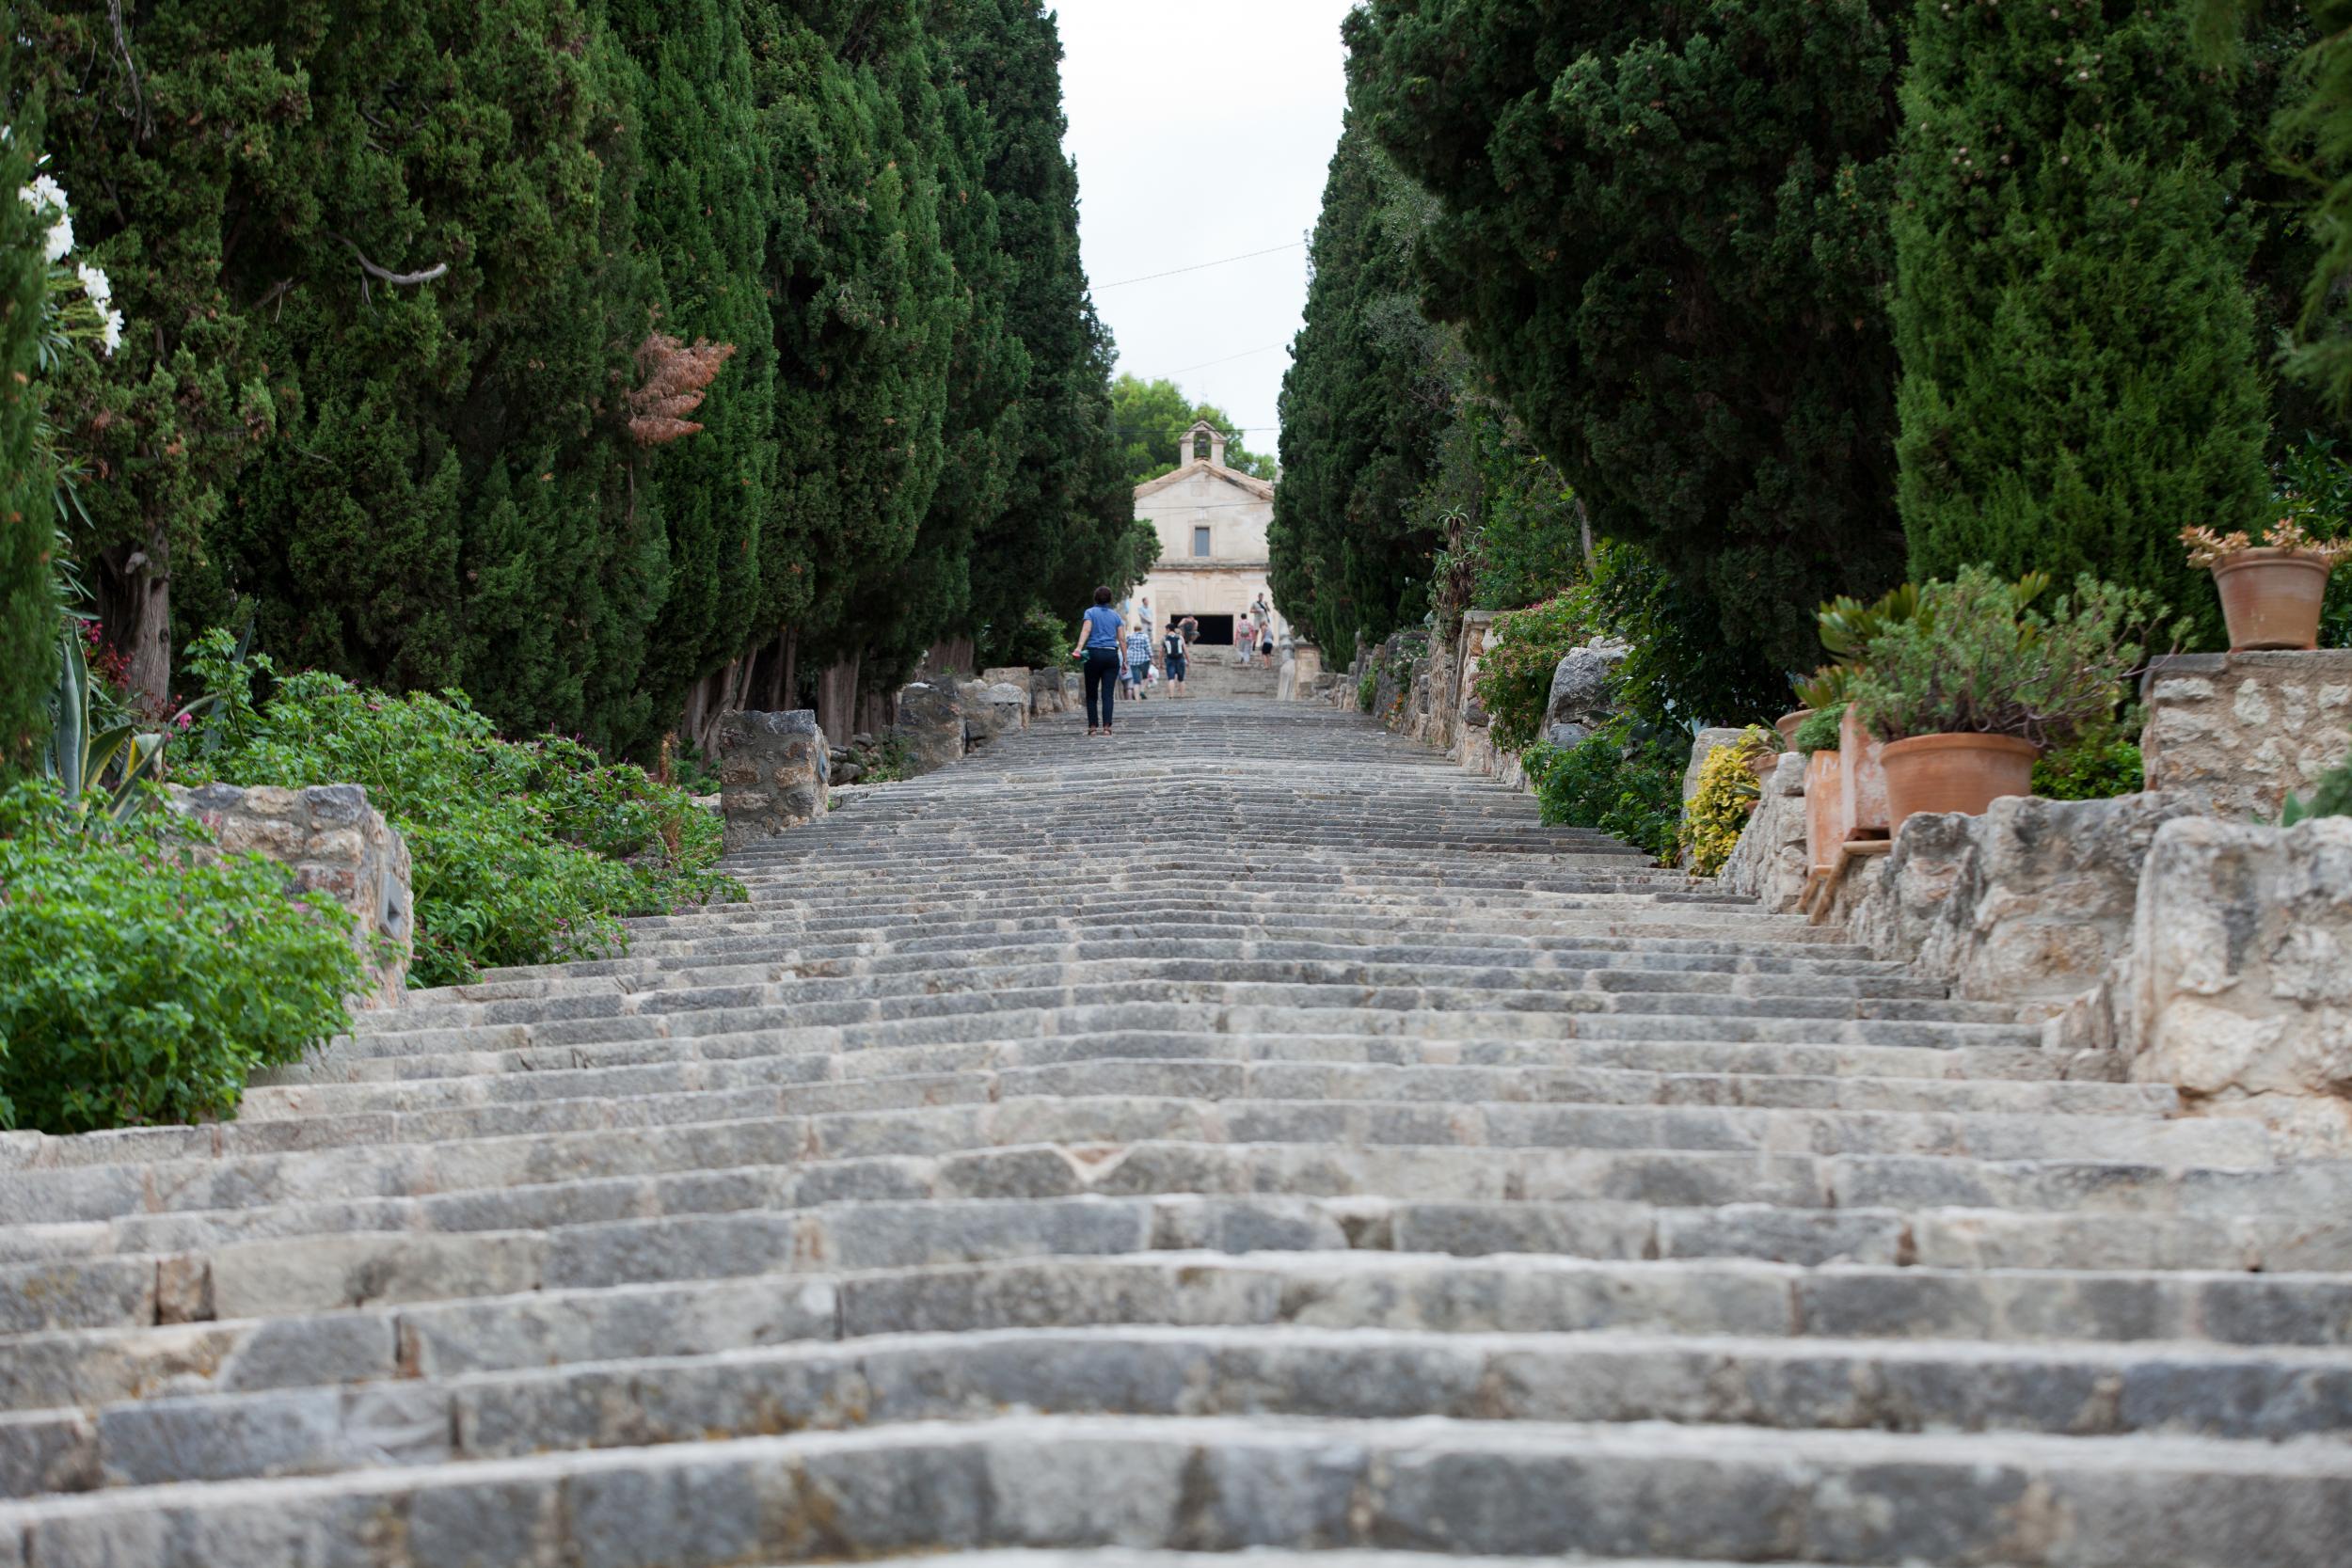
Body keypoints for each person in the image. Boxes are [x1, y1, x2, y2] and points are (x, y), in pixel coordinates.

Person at [1072, 586, 1124, 736]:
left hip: (1093, 655)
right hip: (1111, 655)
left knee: (1091, 693)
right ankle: (1107, 727)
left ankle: (1093, 727)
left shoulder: (1090, 612)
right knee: (1108, 694)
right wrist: (1125, 660)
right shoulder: (1116, 616)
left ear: (1095, 598)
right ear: (1110, 599)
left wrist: (1078, 648)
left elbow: (1086, 630)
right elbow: (1121, 639)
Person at [1123, 620, 1153, 700]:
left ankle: (1137, 699)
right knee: (1145, 676)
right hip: (1144, 659)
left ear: (1134, 629)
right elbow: (1148, 648)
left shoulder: (1129, 636)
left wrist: (1125, 659)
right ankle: (1142, 690)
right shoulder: (1145, 636)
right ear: (1141, 629)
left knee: (1136, 681)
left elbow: (1125, 647)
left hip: (1133, 660)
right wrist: (1152, 658)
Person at [1161, 620, 1189, 698]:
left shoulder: (1164, 638)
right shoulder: (1180, 637)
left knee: (1171, 678)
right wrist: (1188, 660)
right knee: (1181, 679)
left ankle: (1171, 696)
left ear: (1168, 629)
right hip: (1180, 659)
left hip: (1170, 659)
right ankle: (1182, 695)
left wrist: (1160, 663)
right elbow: (1185, 650)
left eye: (1166, 629)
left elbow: (1161, 652)